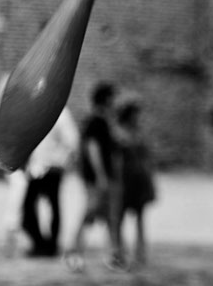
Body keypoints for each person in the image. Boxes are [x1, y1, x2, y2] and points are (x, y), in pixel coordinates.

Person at [62, 82, 122, 272]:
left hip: (100, 177)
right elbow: (93, 149)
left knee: (108, 216)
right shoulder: (96, 122)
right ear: (106, 99)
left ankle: (113, 255)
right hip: (97, 178)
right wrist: (101, 175)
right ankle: (74, 252)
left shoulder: (102, 121)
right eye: (113, 97)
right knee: (91, 213)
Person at [21, 106, 79, 257]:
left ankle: (50, 245)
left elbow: (72, 141)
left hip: (52, 167)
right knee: (29, 206)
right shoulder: (37, 111)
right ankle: (40, 243)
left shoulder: (61, 114)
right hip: (37, 167)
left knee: (52, 205)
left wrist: (62, 161)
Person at [111, 100, 156, 269]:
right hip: (124, 180)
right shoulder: (118, 133)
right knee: (119, 218)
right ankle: (119, 252)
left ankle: (140, 253)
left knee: (139, 218)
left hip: (139, 180)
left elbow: (147, 158)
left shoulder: (138, 133)